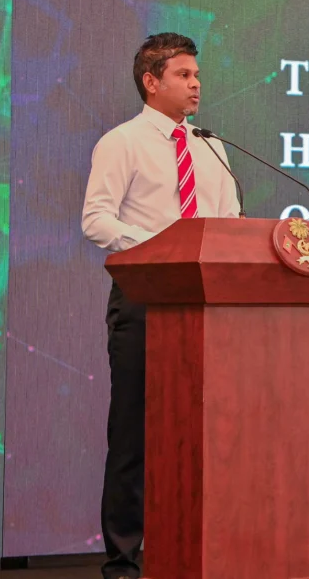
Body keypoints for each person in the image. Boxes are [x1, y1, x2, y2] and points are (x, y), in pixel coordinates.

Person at [81, 32, 240, 579]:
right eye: (183, 75)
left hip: (207, 305)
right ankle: (124, 562)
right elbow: (96, 220)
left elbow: (228, 223)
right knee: (135, 434)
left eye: (197, 75)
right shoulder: (122, 142)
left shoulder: (211, 147)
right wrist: (162, 250)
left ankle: (202, 552)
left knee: (207, 432)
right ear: (151, 82)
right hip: (146, 298)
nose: (196, 85)